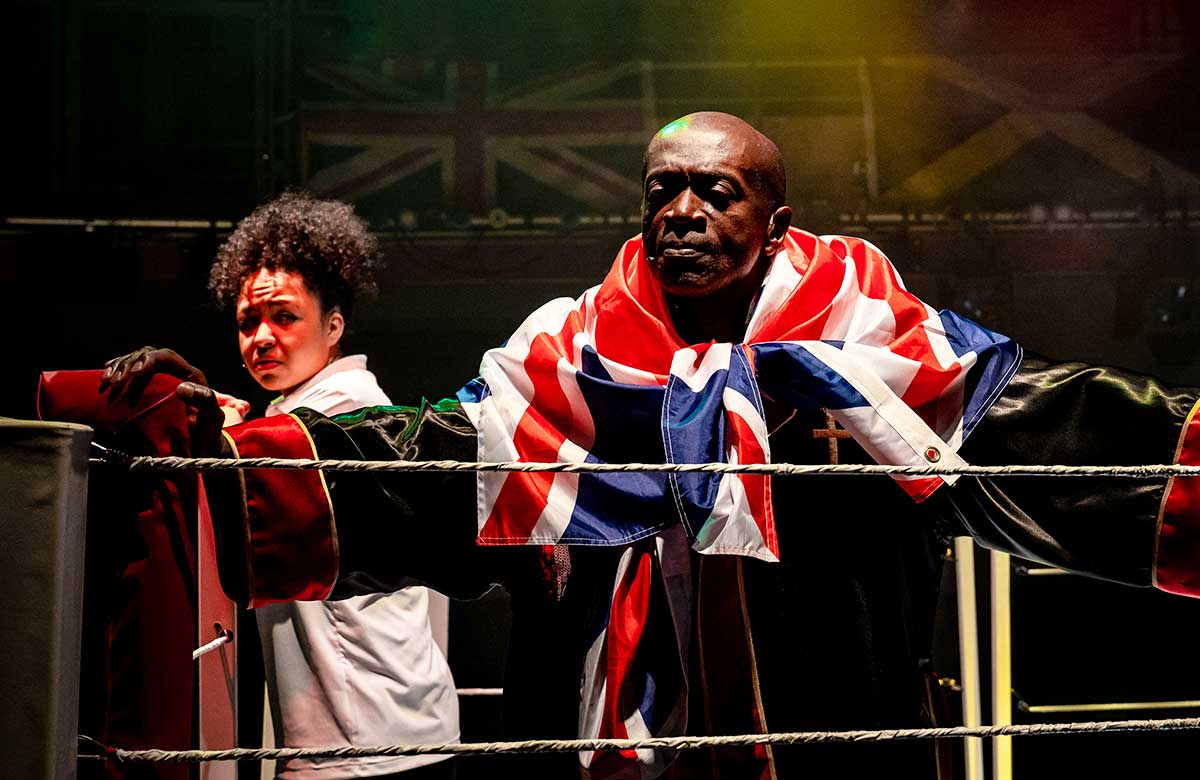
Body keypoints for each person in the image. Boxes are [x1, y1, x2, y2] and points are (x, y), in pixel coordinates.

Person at [104, 114, 1200, 780]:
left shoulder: (877, 352)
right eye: (662, 190)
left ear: (773, 221)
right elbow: (431, 464)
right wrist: (207, 450)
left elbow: (1048, 434)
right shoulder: (567, 360)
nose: (681, 210)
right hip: (614, 739)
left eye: (714, 192)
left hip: (828, 733)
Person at [102, 192, 460, 780]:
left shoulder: (352, 410)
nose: (261, 337)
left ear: (334, 325)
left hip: (374, 746)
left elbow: (276, 446)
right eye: (248, 322)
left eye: (284, 317)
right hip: (378, 736)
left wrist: (185, 396)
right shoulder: (290, 413)